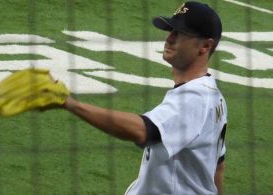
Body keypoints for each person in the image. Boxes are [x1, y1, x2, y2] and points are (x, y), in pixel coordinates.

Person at [63, 1, 227, 194]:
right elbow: (217, 166)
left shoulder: (195, 98)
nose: (169, 38)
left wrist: (70, 104)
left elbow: (143, 130)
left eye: (181, 33)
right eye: (171, 30)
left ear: (205, 46)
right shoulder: (213, 95)